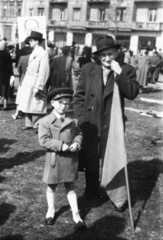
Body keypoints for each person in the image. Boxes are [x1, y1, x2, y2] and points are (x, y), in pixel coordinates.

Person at [73, 35, 139, 211]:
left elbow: (132, 93)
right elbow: (79, 95)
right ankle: (92, 191)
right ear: (98, 56)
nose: (107, 59)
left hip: (113, 123)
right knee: (91, 157)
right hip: (91, 122)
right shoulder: (88, 69)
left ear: (116, 53)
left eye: (110, 54)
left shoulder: (126, 69)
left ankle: (116, 193)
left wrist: (120, 73)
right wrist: (81, 118)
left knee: (113, 156)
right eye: (103, 55)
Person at [38, 88, 85, 228]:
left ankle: (76, 215)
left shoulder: (72, 121)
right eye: (60, 103)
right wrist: (60, 145)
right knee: (51, 185)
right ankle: (50, 211)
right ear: (52, 103)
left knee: (70, 186)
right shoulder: (45, 121)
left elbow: (79, 134)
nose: (64, 106)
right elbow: (43, 140)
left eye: (67, 103)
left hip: (69, 160)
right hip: (54, 159)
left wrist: (77, 142)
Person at [18, 31, 50, 133]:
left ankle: (37, 125)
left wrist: (39, 86)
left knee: (36, 103)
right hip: (28, 80)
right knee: (27, 102)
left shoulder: (43, 53)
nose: (29, 42)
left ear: (36, 41)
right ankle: (28, 123)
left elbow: (44, 71)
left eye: (31, 40)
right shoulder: (33, 52)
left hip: (36, 81)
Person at [0, 40, 14, 110]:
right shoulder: (7, 54)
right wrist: (11, 74)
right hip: (5, 76)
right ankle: (5, 105)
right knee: (5, 91)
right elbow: (9, 66)